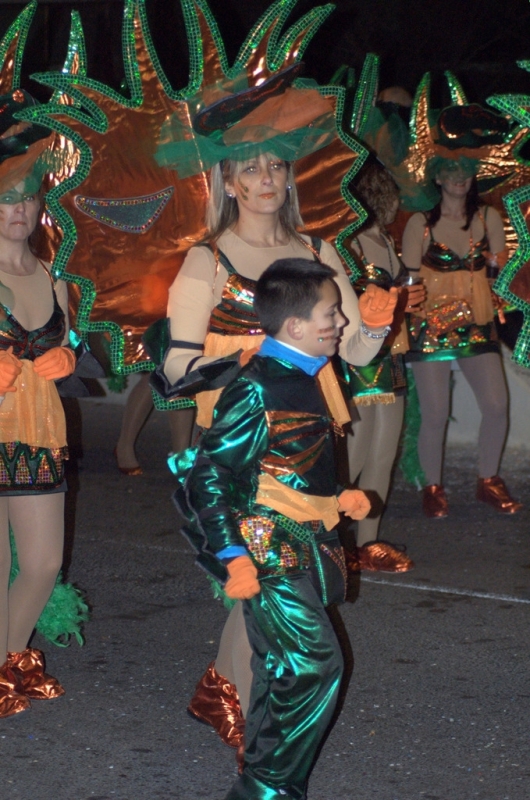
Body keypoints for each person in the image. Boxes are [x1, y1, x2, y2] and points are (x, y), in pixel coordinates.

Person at [152, 71, 398, 755]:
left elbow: (351, 345)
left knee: (279, 581)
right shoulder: (207, 260)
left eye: (275, 166)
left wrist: (374, 325)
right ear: (228, 180)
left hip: (312, 438)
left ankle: (228, 692)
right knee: (258, 577)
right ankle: (243, 708)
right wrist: (253, 352)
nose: (265, 179)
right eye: (250, 168)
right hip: (238, 435)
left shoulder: (320, 252)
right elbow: (173, 372)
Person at [177, 258, 371, 800]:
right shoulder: (259, 388)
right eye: (331, 314)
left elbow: (287, 465)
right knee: (314, 665)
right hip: (269, 549)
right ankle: (268, 790)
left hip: (302, 543)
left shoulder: (306, 376)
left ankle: (261, 785)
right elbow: (207, 477)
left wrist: (336, 498)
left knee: (283, 665)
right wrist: (234, 555)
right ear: (296, 327)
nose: (339, 323)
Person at [0, 92, 76, 718]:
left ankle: (8, 657)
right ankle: (7, 664)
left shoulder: (56, 279)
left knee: (44, 560)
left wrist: (69, 359)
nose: (15, 209)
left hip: (40, 431)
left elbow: (68, 342)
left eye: (24, 196)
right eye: (3, 198)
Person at [401, 158, 522, 517]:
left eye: (465, 171)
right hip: (431, 326)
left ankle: (489, 481)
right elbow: (409, 283)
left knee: (497, 405)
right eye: (450, 171)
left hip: (477, 322)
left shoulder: (488, 218)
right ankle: (432, 487)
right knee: (435, 413)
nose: (459, 178)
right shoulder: (420, 224)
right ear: (436, 176)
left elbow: (501, 276)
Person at [345, 162, 424, 570]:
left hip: (390, 355)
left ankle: (367, 544)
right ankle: (328, 534)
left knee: (383, 453)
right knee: (356, 453)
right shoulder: (350, 245)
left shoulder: (385, 239)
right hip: (361, 358)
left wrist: (406, 302)